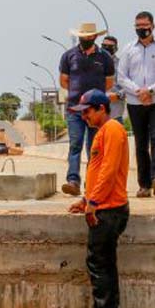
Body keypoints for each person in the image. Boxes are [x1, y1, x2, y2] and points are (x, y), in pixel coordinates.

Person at [66, 89, 130, 308]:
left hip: (108, 209)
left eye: (88, 112)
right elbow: (99, 171)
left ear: (102, 108)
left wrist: (93, 202)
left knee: (99, 265)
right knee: (105, 265)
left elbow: (109, 170)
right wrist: (85, 200)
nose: (85, 117)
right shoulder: (104, 132)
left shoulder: (112, 130)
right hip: (105, 205)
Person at [117, 11, 155, 198]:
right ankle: (144, 184)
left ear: (153, 26)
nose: (141, 30)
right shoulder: (128, 50)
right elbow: (121, 77)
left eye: (145, 26)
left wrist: (150, 90)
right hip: (135, 103)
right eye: (138, 26)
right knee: (141, 143)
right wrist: (138, 92)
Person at [59, 23, 115, 196]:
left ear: (94, 37)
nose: (84, 40)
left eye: (87, 37)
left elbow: (109, 83)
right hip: (75, 109)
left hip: (96, 111)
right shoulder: (69, 56)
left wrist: (93, 96)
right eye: (81, 37)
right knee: (75, 144)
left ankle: (93, 182)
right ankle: (73, 180)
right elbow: (64, 81)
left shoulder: (105, 57)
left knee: (94, 147)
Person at [101, 36, 126, 123]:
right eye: (104, 46)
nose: (106, 49)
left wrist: (118, 95)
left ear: (116, 48)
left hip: (115, 115)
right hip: (96, 117)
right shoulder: (93, 64)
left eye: (110, 46)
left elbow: (129, 87)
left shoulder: (122, 66)